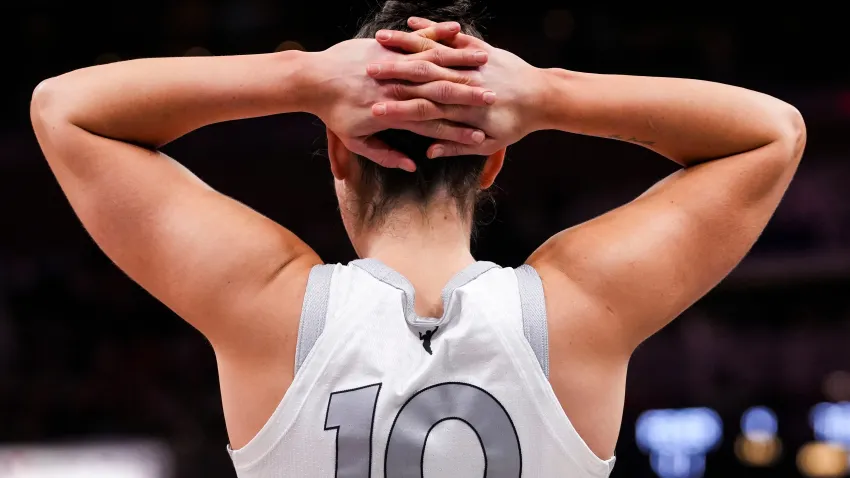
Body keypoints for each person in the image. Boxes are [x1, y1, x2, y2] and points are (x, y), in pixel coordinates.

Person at [29, 0, 805, 476]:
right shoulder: (580, 308)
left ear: (338, 149)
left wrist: (303, 79)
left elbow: (67, 108)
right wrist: (548, 92)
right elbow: (771, 133)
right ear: (494, 159)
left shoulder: (264, 304)